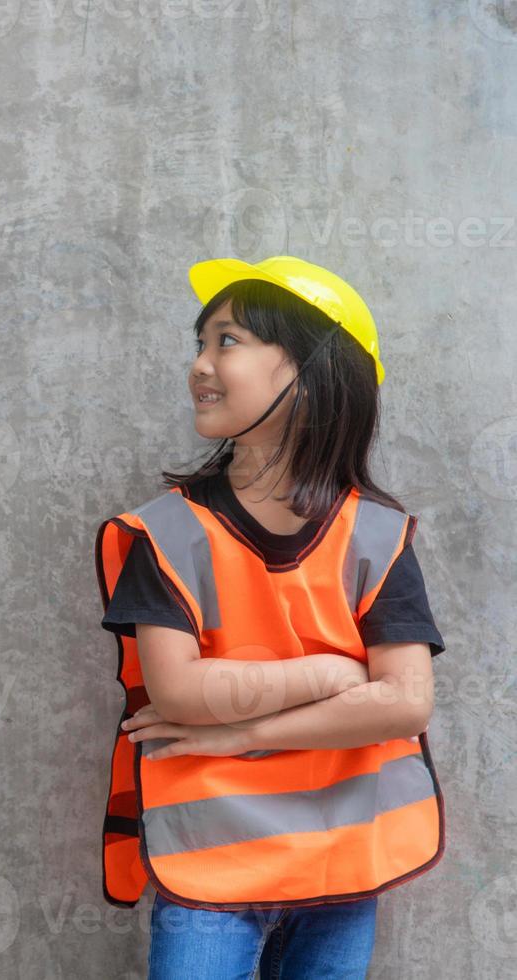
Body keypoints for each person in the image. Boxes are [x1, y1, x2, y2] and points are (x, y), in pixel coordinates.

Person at [92, 256, 447, 979]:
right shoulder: (166, 534)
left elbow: (405, 702)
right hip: (212, 873)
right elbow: (181, 694)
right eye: (200, 342)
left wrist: (247, 729)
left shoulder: (375, 535)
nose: (199, 364)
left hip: (342, 867)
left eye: (228, 341)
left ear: (315, 376)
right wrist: (331, 673)